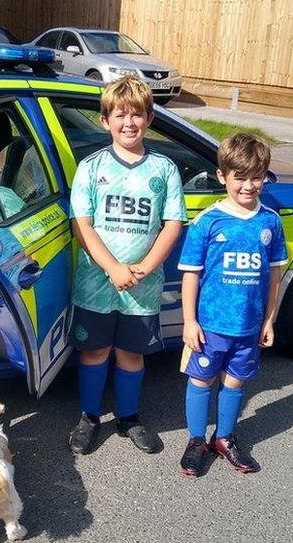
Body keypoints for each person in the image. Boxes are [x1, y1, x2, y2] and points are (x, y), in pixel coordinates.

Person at [67, 76, 187, 455]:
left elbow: (173, 223)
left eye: (137, 114)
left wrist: (147, 266)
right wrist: (113, 268)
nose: (129, 123)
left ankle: (129, 417)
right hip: (96, 283)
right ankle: (89, 417)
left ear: (150, 118)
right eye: (120, 115)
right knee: (94, 352)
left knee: (131, 354)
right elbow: (80, 225)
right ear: (105, 121)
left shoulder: (164, 169)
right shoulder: (90, 166)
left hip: (143, 285)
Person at [176, 133, 288, 476]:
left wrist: (268, 320)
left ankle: (224, 437)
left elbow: (273, 277)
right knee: (201, 381)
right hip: (210, 326)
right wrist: (189, 321)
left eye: (257, 177)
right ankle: (196, 440)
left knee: (236, 382)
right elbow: (191, 276)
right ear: (223, 176)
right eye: (239, 177)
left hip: (249, 327)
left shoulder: (270, 221)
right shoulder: (208, 222)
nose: (248, 186)